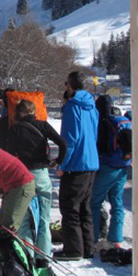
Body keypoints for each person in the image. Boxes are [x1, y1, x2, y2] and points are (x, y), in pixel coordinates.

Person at [8, 99, 67, 260]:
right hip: (42, 174)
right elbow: (62, 144)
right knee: (44, 219)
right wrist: (58, 161)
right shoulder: (43, 125)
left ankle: (28, 256)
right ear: (34, 111)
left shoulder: (15, 129)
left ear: (20, 112)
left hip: (24, 175)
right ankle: (44, 257)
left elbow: (10, 154)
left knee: (25, 220)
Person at [55, 71, 99, 261]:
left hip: (76, 163)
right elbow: (95, 132)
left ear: (70, 85)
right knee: (84, 207)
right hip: (91, 161)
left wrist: (62, 163)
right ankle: (87, 246)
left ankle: (73, 249)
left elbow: (70, 139)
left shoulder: (73, 107)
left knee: (70, 206)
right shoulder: (91, 106)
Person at [90, 95, 131, 249]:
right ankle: (116, 238)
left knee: (95, 201)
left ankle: (92, 238)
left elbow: (100, 145)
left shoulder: (103, 122)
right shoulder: (120, 121)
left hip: (108, 166)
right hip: (122, 167)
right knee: (117, 202)